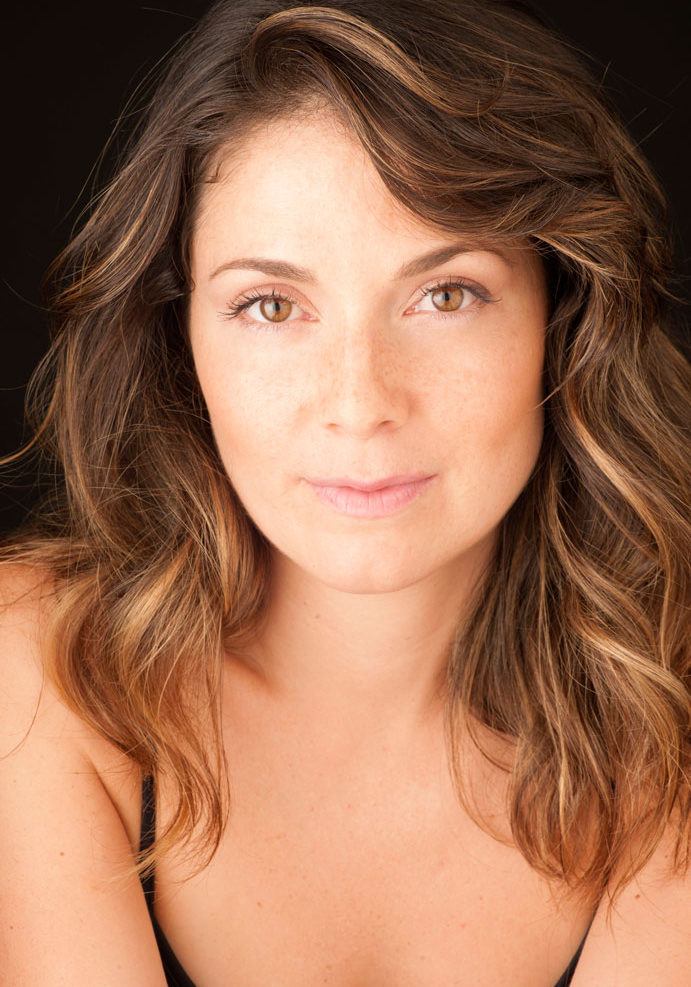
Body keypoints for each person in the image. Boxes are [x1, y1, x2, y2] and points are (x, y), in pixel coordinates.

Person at [1, 0, 689, 984]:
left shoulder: (669, 706)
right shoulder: (39, 671)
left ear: (564, 318)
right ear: (179, 341)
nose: (359, 404)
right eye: (270, 305)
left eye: (445, 295)